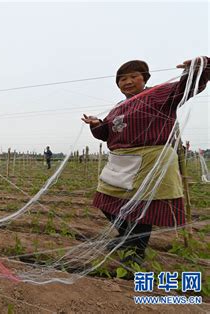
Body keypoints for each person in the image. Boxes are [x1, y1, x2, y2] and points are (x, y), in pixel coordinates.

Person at [82, 56, 209, 264]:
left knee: (141, 208)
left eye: (133, 76)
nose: (128, 81)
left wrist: (197, 69)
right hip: (121, 160)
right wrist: (96, 123)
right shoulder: (118, 108)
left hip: (151, 159)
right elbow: (106, 133)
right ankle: (125, 236)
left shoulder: (158, 94)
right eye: (122, 79)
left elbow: (189, 86)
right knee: (106, 199)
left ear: (145, 78)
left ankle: (136, 253)